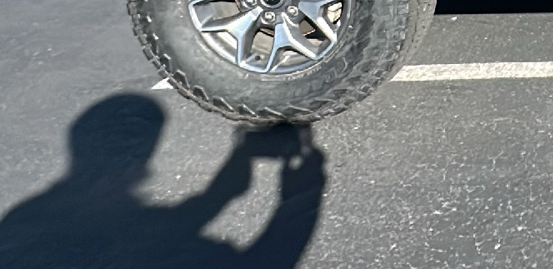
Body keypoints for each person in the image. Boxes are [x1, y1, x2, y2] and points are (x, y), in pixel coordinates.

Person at [0, 93, 326, 269]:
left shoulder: (28, 224)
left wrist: (240, 160)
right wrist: (304, 186)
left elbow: (189, 216)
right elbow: (271, 260)